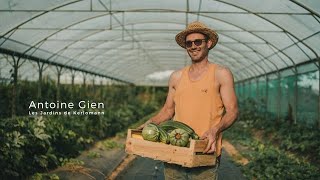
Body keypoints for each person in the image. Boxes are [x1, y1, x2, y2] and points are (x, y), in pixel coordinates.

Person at [138, 21, 238, 180]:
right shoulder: (176, 77)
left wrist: (215, 130)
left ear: (209, 43)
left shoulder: (221, 73)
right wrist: (150, 123)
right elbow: (168, 110)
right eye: (189, 43)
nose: (193, 46)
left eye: (198, 41)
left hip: (204, 150)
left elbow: (232, 111)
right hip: (175, 149)